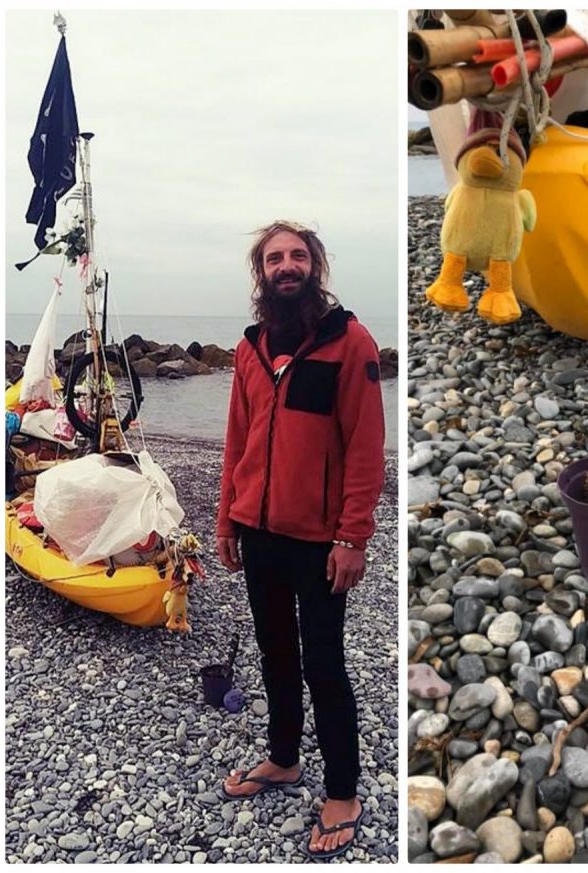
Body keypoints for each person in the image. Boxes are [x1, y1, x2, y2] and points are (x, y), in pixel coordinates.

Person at [215, 220, 385, 860]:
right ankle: (284, 757)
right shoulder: (250, 346)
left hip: (320, 542)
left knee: (324, 663)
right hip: (258, 534)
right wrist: (227, 518)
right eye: (274, 258)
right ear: (261, 273)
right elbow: (238, 436)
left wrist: (353, 536)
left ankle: (342, 788)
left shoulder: (351, 343)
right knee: (274, 651)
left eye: (298, 256)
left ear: (316, 266)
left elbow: (366, 450)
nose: (286, 266)